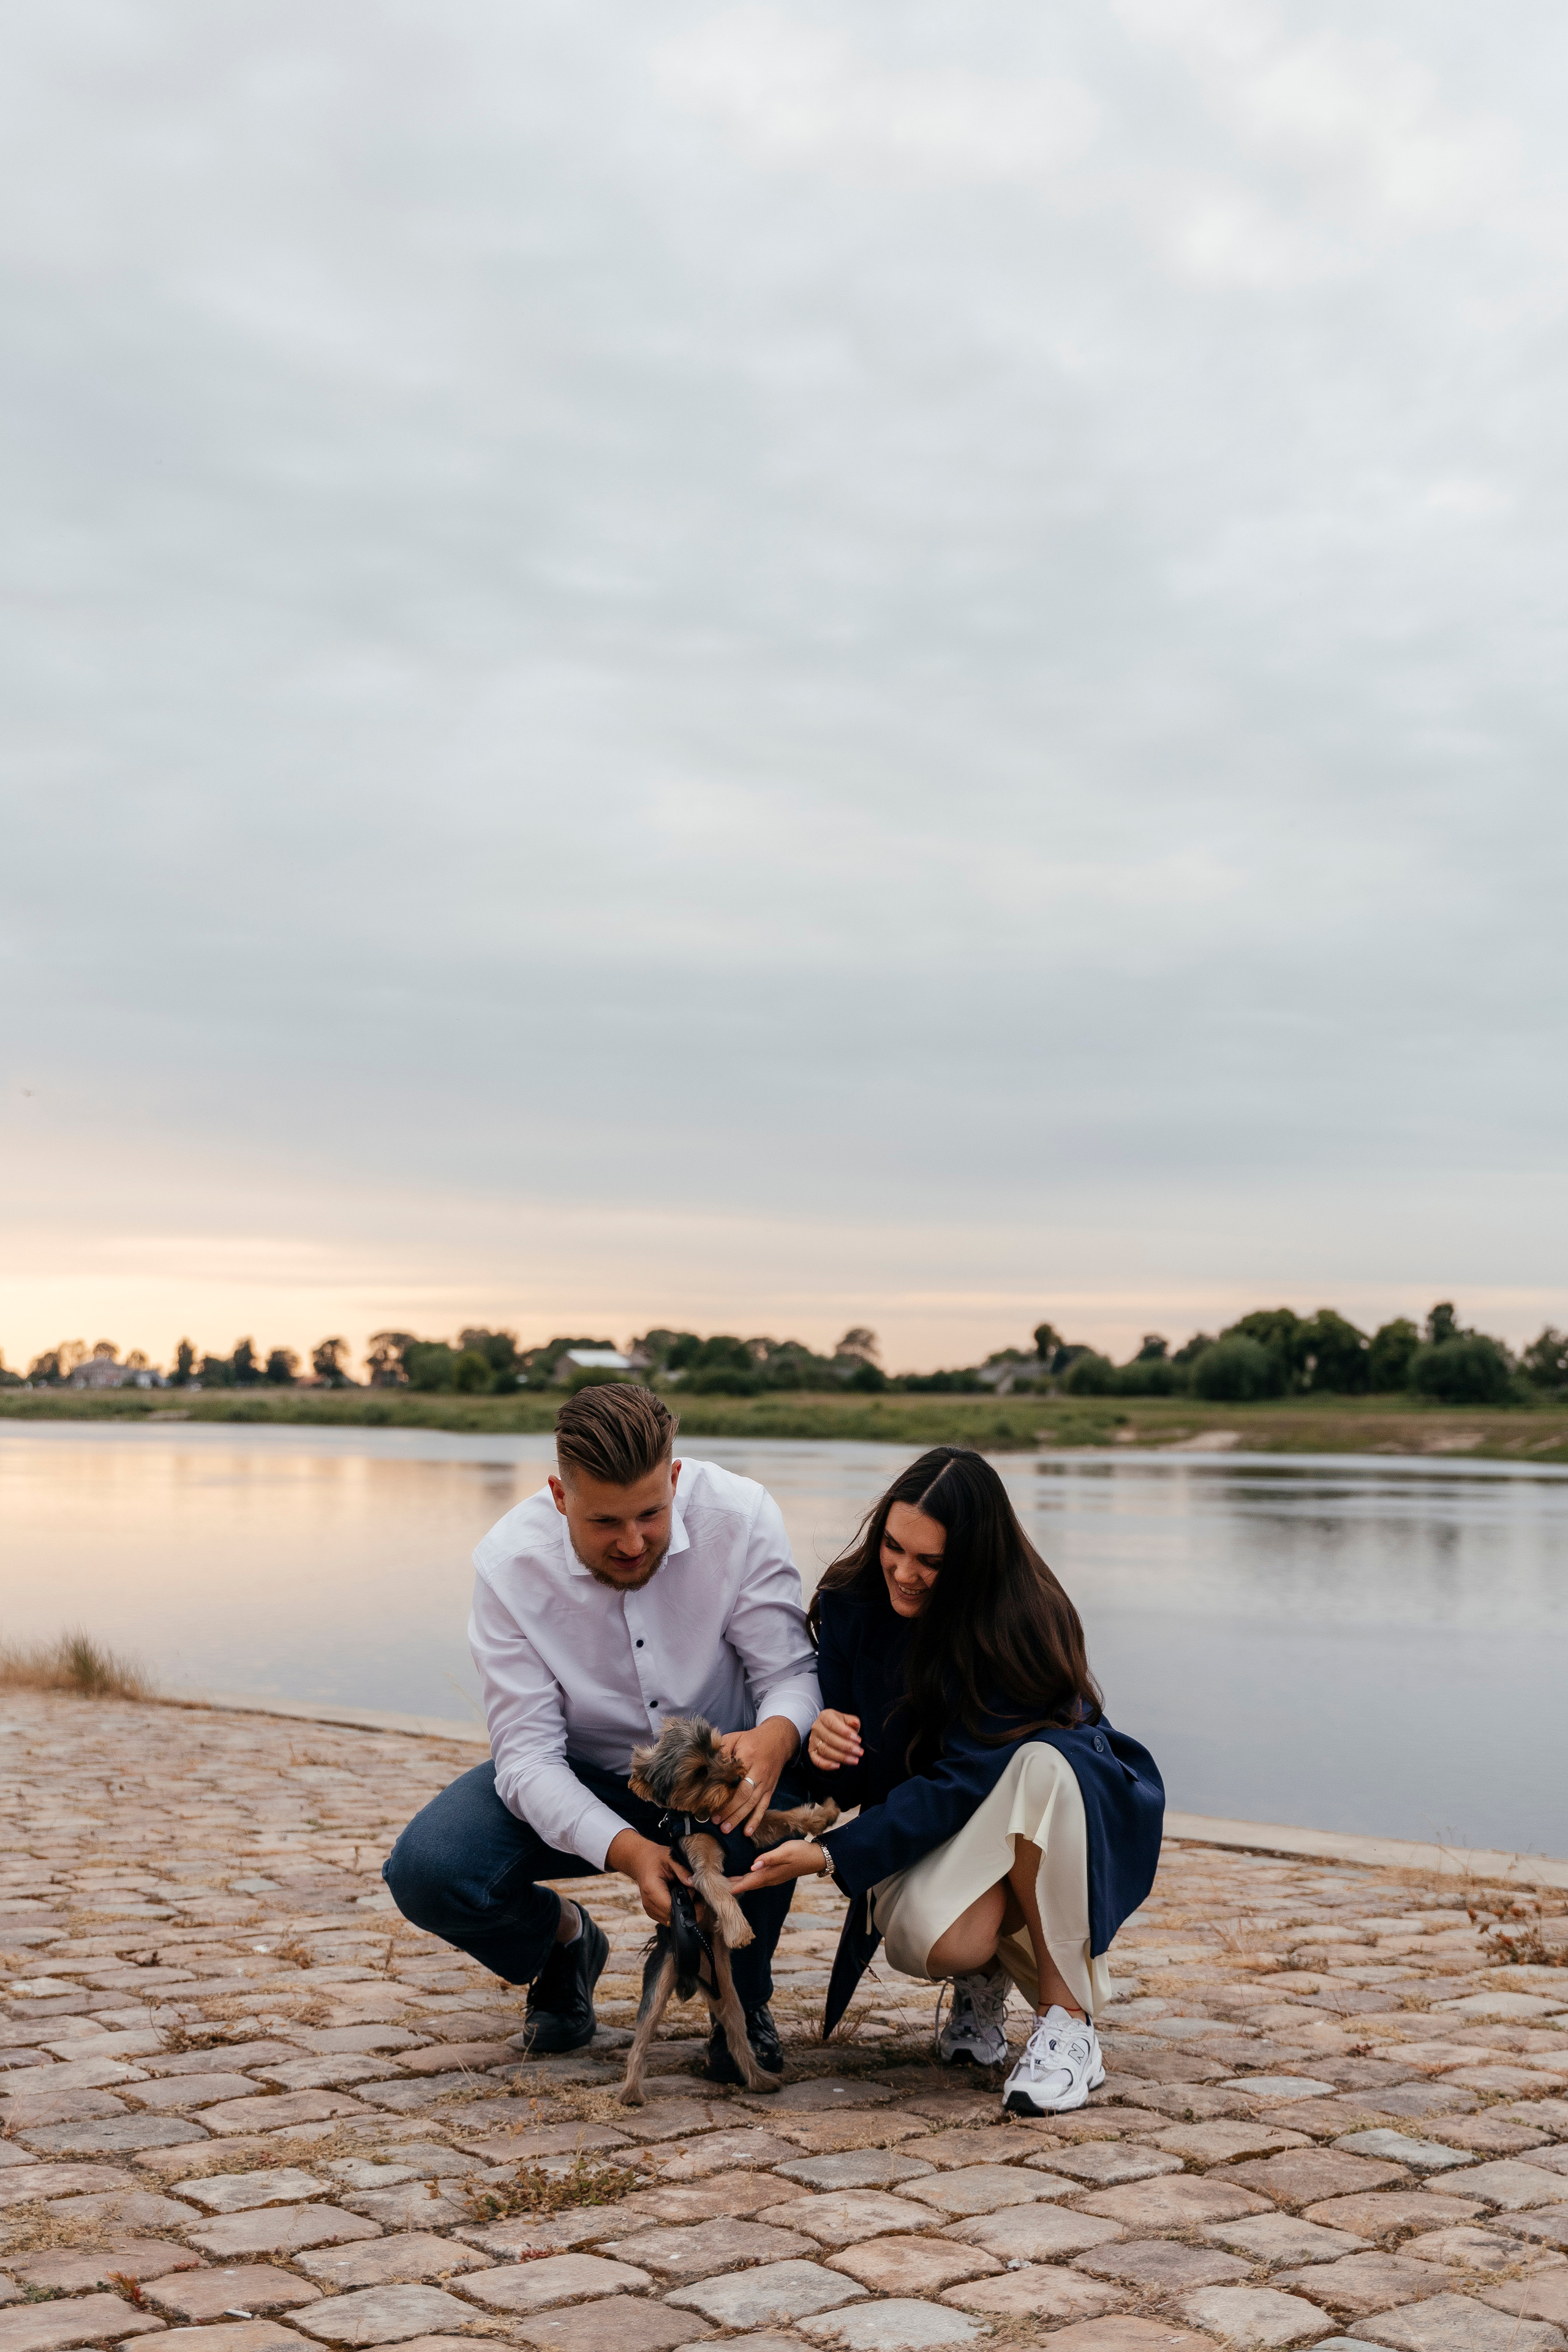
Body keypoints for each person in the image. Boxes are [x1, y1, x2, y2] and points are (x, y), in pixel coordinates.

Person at [381, 1384, 821, 2081]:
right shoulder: (507, 1566)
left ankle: (741, 2002)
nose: (632, 1541)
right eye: (604, 1522)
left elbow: (791, 1674)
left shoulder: (740, 1516)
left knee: (776, 1780)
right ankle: (565, 1944)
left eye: (651, 1513)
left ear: (674, 1478)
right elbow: (525, 1759)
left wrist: (773, 1736)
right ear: (560, 1496)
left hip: (720, 1773)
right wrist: (627, 1851)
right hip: (586, 1772)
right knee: (430, 1871)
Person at [729, 1444, 1164, 2114]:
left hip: (1050, 1808)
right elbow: (850, 1783)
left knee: (1043, 1763)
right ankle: (982, 1978)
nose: (904, 1573)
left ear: (972, 1562)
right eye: (894, 1548)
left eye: (929, 1562)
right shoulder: (850, 1605)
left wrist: (829, 1855)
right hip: (940, 1828)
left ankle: (1068, 2027)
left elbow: (967, 1777)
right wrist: (822, 1742)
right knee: (939, 1941)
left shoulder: (1024, 1621)